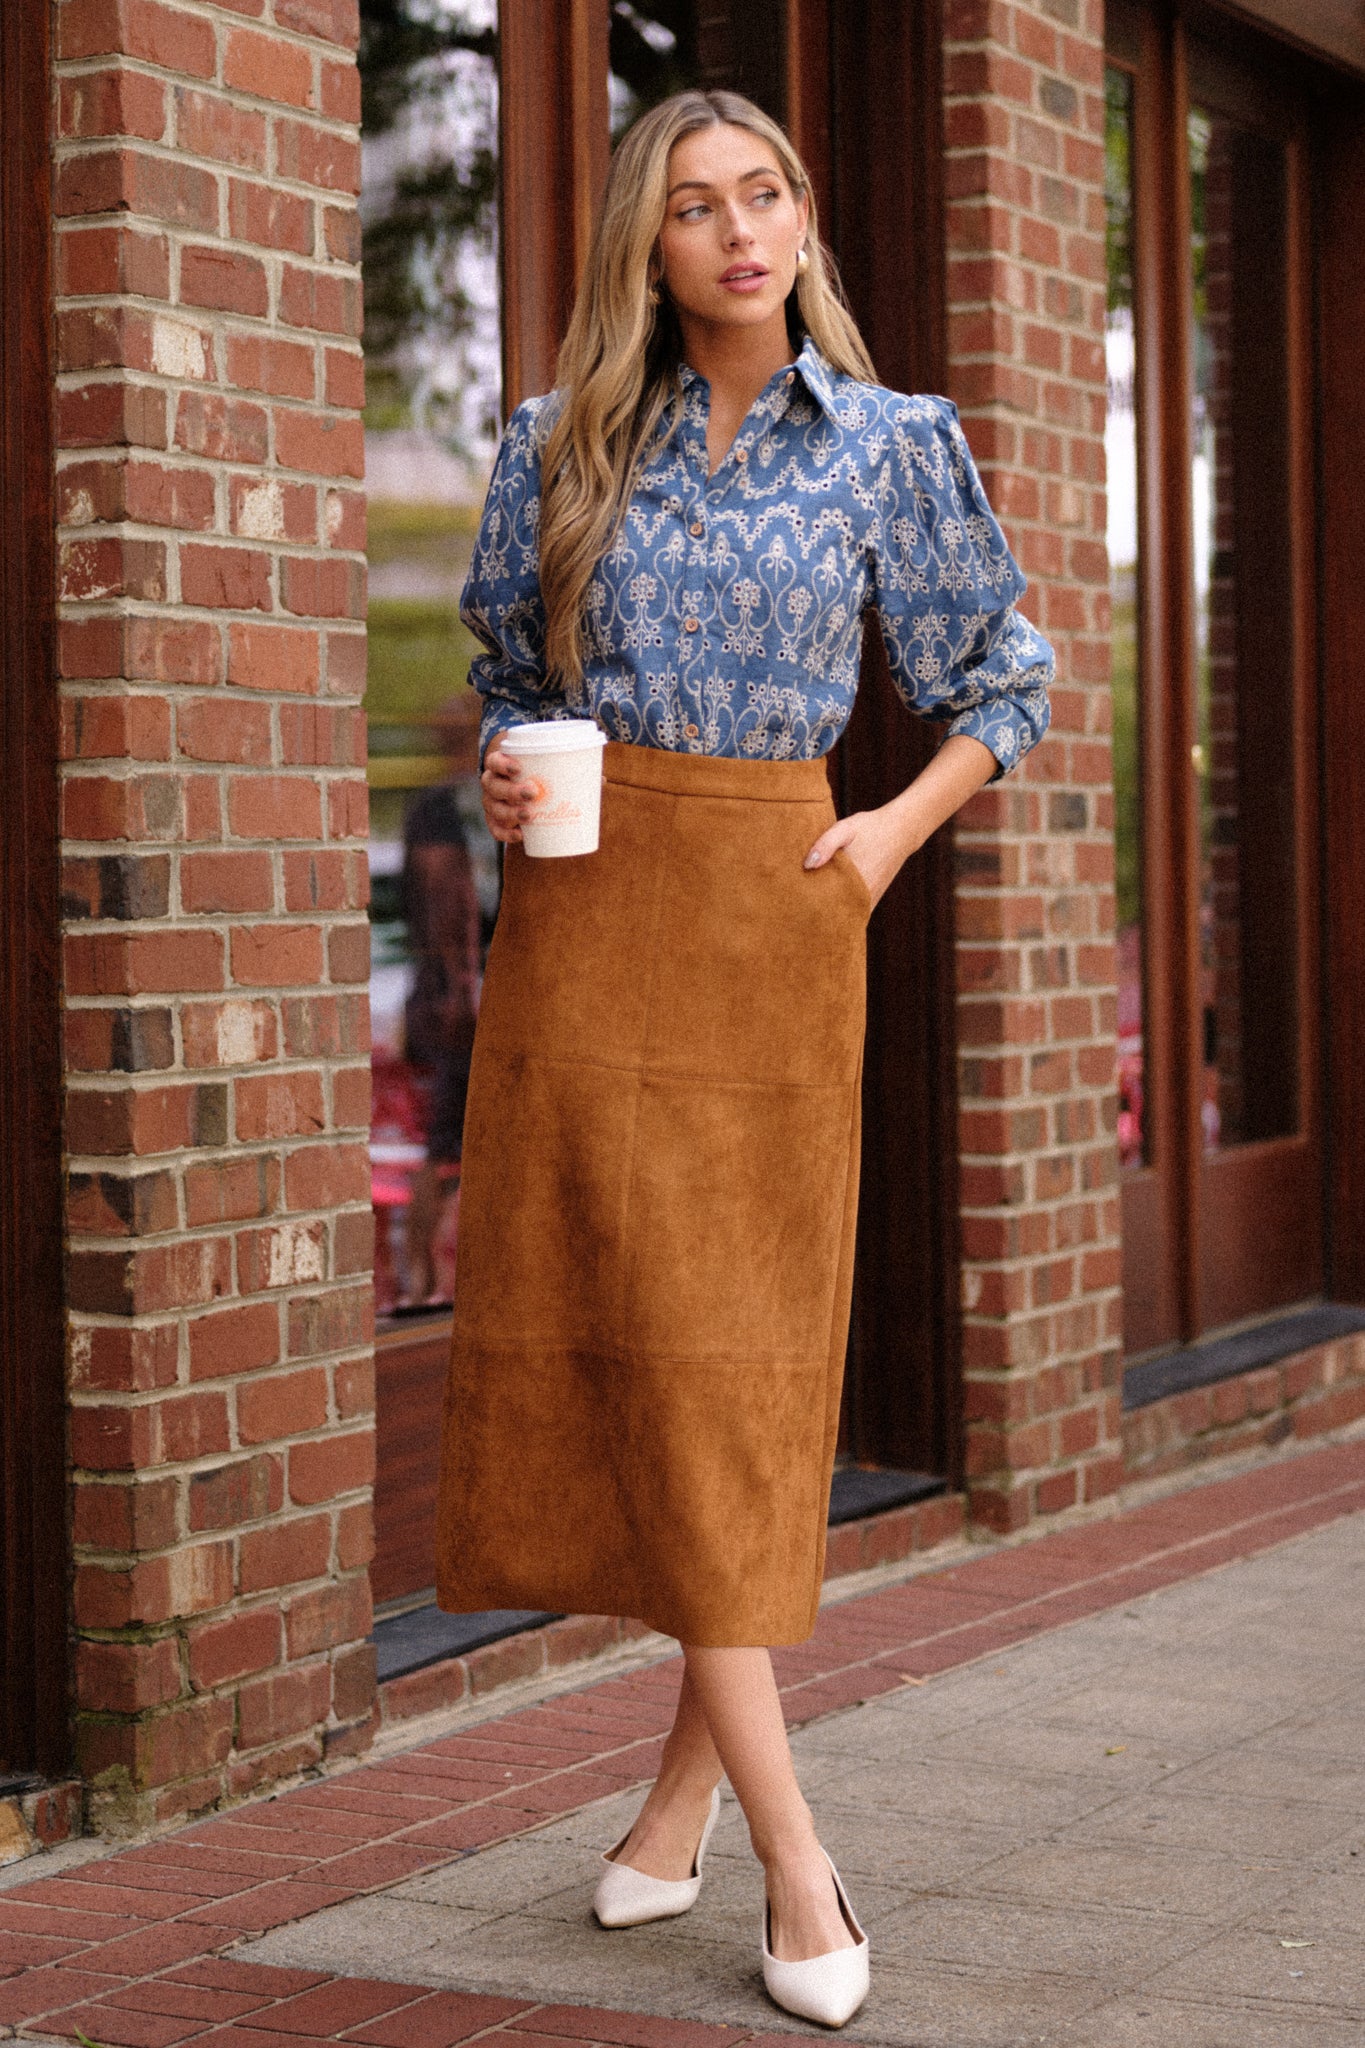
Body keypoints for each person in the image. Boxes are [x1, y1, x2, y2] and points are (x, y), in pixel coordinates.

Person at [435, 89, 1052, 2028]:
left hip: (776, 924)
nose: (735, 231)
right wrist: (500, 772)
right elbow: (508, 685)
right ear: (646, 241)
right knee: (627, 1355)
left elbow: (1002, 677)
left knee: (732, 1375)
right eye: (693, 205)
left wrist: (881, 834)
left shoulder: (888, 446)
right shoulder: (551, 450)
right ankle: (729, 1824)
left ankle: (773, 1842)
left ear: (797, 217)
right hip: (587, 929)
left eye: (763, 193)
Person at [399, 695, 482, 1304]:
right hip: (464, 1006)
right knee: (448, 1151)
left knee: (440, 1149)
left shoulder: (430, 806)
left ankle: (423, 1282)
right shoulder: (455, 808)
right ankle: (433, 1284)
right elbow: (456, 909)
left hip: (439, 998)